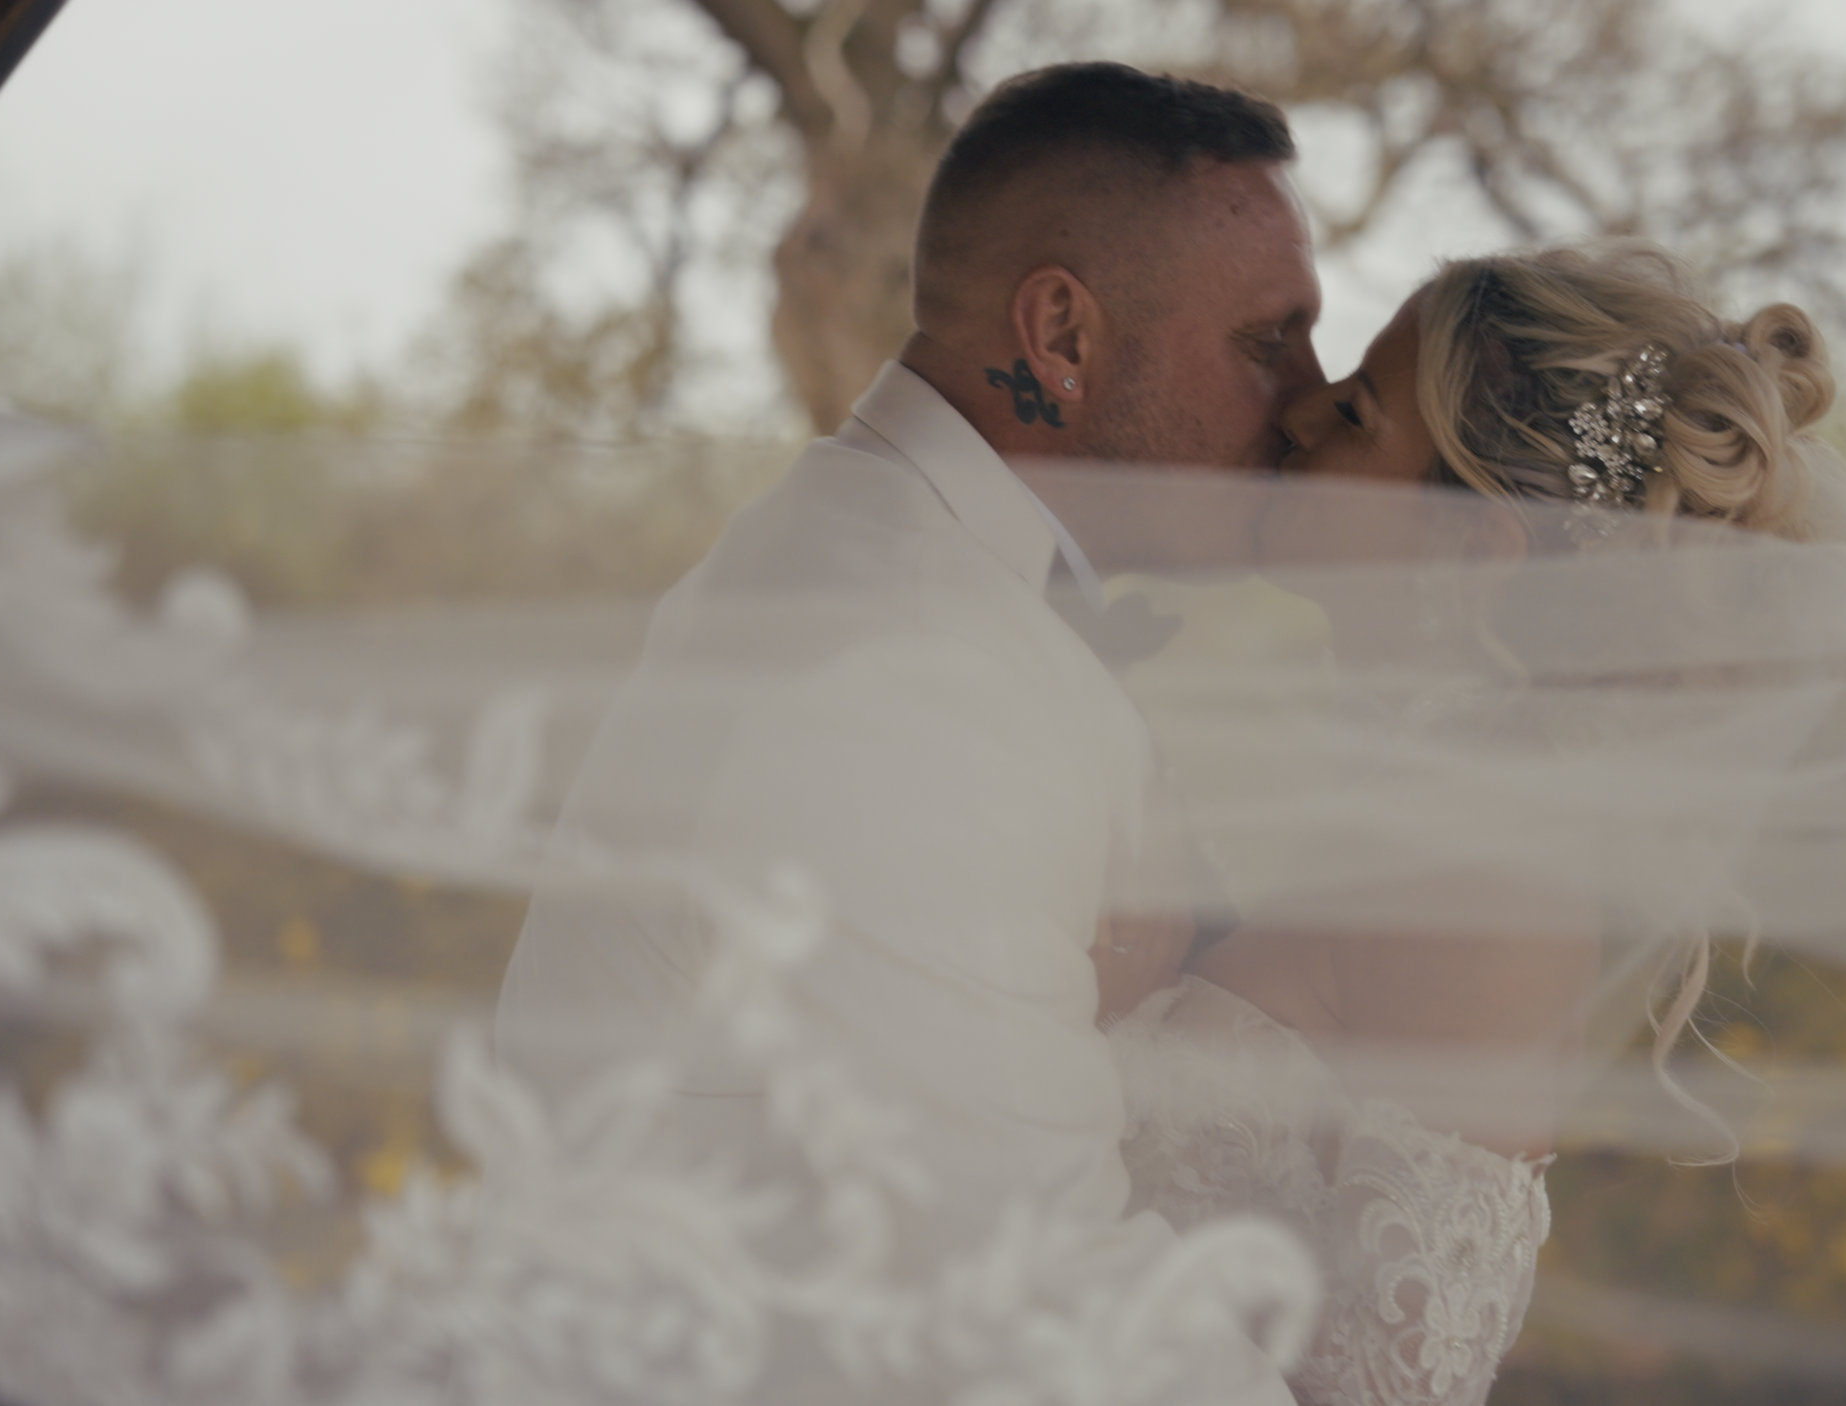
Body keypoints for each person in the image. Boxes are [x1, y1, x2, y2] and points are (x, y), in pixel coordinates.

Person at [1097, 240, 1846, 1406]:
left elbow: (1384, 1387)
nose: (1298, 415)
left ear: (1471, 547)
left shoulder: (1487, 879)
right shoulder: (1414, 819)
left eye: (1356, 410)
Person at [497, 61, 1326, 1404]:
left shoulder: (886, 566)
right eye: (1267, 341)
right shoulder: (908, 665)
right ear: (1061, 332)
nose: (1310, 401)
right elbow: (1029, 1297)